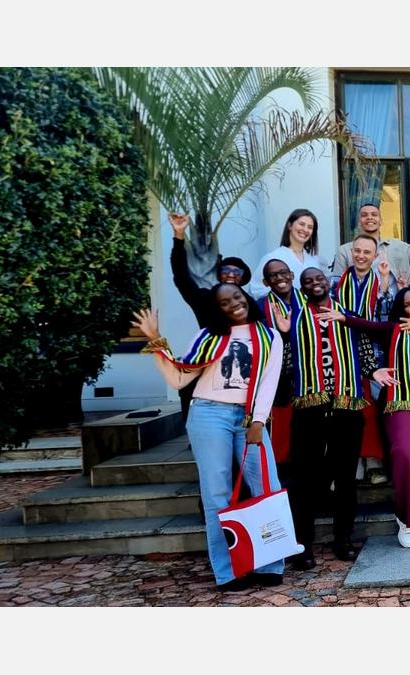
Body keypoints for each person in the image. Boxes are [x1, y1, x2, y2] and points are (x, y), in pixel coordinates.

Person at [132, 284, 284, 591]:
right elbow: (178, 378)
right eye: (224, 302)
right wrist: (155, 339)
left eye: (237, 297)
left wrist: (259, 421)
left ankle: (270, 563)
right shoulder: (208, 337)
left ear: (246, 297)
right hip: (209, 414)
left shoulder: (269, 336)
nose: (234, 304)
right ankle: (227, 572)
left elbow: (269, 383)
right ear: (218, 309)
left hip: (249, 418)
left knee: (267, 487)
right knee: (217, 494)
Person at [320, 287, 410, 548]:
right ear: (400, 310)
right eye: (407, 303)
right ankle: (407, 517)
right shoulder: (394, 329)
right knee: (407, 453)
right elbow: (367, 325)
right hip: (402, 400)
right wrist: (344, 318)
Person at [270, 267, 386, 568]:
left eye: (319, 278)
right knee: (303, 479)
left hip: (347, 408)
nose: (315, 283)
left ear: (328, 282)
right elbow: (284, 366)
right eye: (308, 281)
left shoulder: (348, 315)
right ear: (302, 287)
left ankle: (343, 539)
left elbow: (365, 355)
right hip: (308, 409)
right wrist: (284, 335)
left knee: (345, 479)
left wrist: (374, 372)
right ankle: (302, 544)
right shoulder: (293, 318)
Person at [167, 212, 253, 422]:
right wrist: (179, 236)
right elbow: (181, 277)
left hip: (240, 367)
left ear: (242, 279)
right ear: (218, 273)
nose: (231, 274)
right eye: (226, 270)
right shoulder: (206, 299)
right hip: (208, 362)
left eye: (237, 272)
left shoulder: (251, 305)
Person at [333, 234, 391, 484]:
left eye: (367, 252)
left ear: (375, 255)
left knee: (372, 408)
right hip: (342, 350)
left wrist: (385, 286)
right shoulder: (336, 282)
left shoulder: (382, 280)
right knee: (347, 407)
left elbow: (387, 318)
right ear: (351, 252)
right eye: (357, 251)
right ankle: (353, 460)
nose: (361, 256)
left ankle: (374, 462)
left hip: (374, 352)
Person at [256, 259, 302, 468]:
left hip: (309, 374)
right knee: (282, 426)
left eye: (283, 272)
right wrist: (283, 334)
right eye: (273, 275)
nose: (280, 278)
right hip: (279, 376)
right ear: (266, 282)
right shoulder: (259, 306)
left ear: (292, 275)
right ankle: (281, 470)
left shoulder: (308, 299)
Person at [330, 202, 410, 288]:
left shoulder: (398, 246)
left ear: (381, 221)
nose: (369, 217)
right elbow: (336, 284)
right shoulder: (345, 250)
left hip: (398, 301)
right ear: (359, 222)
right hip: (361, 301)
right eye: (364, 215)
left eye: (374, 214)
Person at [249, 208, 327, 299]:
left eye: (310, 227)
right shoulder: (272, 258)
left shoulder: (316, 261)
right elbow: (255, 290)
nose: (305, 229)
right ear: (290, 225)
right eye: (302, 224)